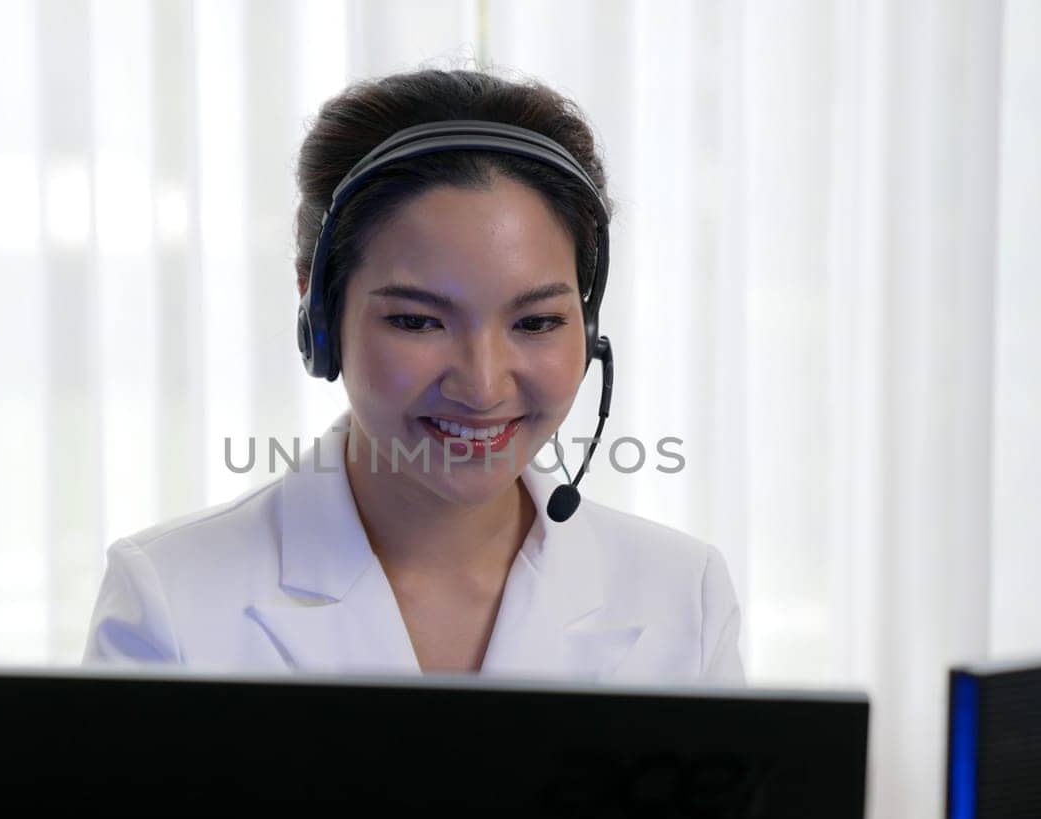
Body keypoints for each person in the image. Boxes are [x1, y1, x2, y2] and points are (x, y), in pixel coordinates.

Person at [84, 68, 743, 683]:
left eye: (537, 322)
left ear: (590, 327)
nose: (483, 385)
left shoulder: (685, 601)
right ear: (320, 316)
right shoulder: (168, 601)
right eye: (419, 322)